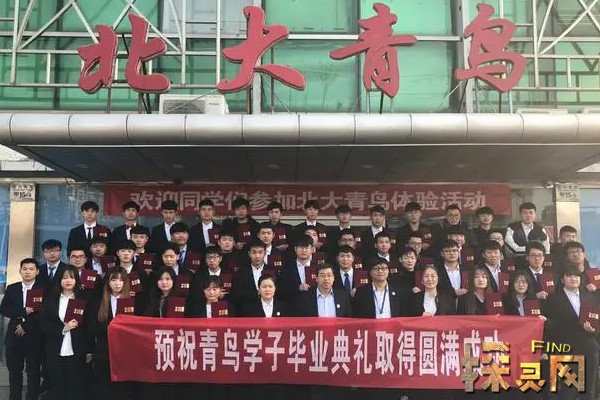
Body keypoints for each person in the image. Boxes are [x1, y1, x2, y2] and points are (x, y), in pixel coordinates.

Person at [351, 258, 408, 400]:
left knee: (391, 374)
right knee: (372, 374)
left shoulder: (398, 291)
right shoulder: (361, 292)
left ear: (388, 271)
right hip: (370, 340)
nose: (381, 271)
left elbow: (404, 315)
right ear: (370, 273)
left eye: (384, 268)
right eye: (376, 269)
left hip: (393, 340)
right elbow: (356, 318)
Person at [543, 267, 600, 400]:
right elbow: (549, 324)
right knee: (568, 389)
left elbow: (596, 321)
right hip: (564, 346)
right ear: (562, 279)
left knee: (589, 389)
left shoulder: (589, 297)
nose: (574, 278)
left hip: (588, 345)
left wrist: (594, 330)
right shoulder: (553, 299)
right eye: (569, 275)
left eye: (576, 276)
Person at [40, 265, 89, 400]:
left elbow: (88, 326)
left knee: (76, 386)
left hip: (77, 349)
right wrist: (63, 328)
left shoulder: (83, 299)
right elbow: (43, 323)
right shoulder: (51, 299)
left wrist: (89, 349)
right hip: (55, 348)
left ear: (76, 280)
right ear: (59, 280)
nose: (68, 280)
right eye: (65, 277)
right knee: (57, 386)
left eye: (71, 277)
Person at [0, 258, 44, 400]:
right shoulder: (12, 288)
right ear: (20, 271)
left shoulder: (43, 289)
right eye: (24, 269)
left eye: (31, 269)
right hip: (14, 335)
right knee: (14, 372)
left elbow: (45, 312)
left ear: (37, 271)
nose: (27, 272)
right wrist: (23, 311)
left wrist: (26, 326)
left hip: (34, 335)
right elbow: (4, 309)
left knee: (33, 372)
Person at [87, 267, 133, 400]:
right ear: (108, 282)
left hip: (126, 352)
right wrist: (111, 326)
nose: (117, 283)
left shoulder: (132, 301)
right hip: (103, 351)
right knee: (105, 388)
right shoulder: (99, 301)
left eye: (121, 280)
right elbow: (91, 327)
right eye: (113, 280)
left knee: (123, 389)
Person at [142, 266, 182, 400]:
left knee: (171, 382)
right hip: (155, 345)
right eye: (160, 279)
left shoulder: (182, 299)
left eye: (168, 279)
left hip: (175, 346)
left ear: (174, 281)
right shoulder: (151, 298)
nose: (164, 282)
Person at [505, 202, 550, 267]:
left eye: (531, 213)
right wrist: (533, 250)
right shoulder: (512, 228)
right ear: (520, 214)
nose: (528, 215)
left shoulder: (540, 229)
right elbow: (514, 249)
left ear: (535, 214)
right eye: (525, 213)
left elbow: (546, 249)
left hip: (537, 264)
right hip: (518, 263)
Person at [231, 241, 269, 313]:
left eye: (260, 252)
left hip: (268, 309)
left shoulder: (272, 271)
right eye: (254, 252)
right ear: (249, 254)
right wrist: (255, 294)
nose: (257, 256)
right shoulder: (240, 273)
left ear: (265, 253)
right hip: (246, 310)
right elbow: (236, 294)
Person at [279, 235, 314, 302]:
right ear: (295, 249)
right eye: (301, 247)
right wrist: (298, 288)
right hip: (292, 304)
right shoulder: (287, 268)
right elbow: (281, 290)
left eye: (306, 247)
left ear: (312, 249)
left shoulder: (317, 268)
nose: (304, 250)